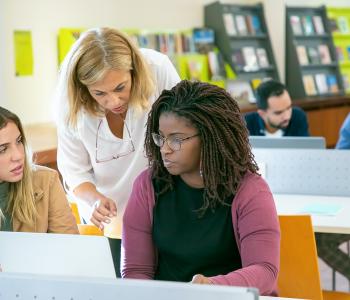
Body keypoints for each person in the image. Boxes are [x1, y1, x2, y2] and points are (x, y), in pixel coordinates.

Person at [121, 80, 280, 296]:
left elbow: (265, 271)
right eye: (160, 137)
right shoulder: (147, 186)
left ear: (210, 138)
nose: (165, 149)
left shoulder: (251, 191)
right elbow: (136, 271)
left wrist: (211, 288)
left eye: (176, 139)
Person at [54, 27, 180, 276]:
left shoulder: (157, 69)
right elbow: (75, 172)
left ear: (134, 70)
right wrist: (94, 201)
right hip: (113, 224)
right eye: (99, 93)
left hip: (170, 209)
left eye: (121, 87)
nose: (114, 101)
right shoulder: (71, 105)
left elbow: (185, 131)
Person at [0, 106, 78, 233]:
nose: (19, 156)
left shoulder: (47, 180)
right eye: (2, 149)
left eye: (19, 141)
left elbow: (69, 246)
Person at [244, 80, 309, 137]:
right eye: (278, 113)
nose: (287, 117)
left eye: (289, 108)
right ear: (262, 114)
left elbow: (306, 149)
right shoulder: (246, 124)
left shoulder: (298, 116)